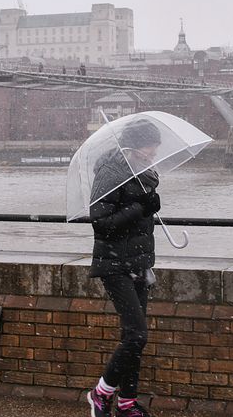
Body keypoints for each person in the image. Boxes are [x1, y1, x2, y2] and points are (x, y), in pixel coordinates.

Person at [87, 119, 161, 417]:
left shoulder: (145, 174)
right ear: (135, 146)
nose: (154, 152)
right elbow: (101, 223)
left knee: (133, 337)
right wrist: (141, 208)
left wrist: (148, 206)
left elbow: (138, 221)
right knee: (137, 336)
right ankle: (100, 394)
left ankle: (127, 404)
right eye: (150, 146)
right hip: (114, 264)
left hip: (139, 263)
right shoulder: (111, 173)